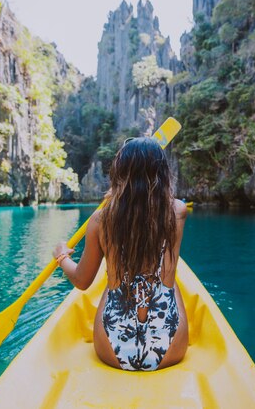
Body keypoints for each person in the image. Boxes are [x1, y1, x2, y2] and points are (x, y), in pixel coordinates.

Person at [53, 137, 188, 371]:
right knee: (170, 281)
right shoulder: (177, 211)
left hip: (111, 349)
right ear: (163, 174)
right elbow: (155, 205)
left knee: (112, 281)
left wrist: (62, 257)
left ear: (118, 175)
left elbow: (82, 281)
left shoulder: (99, 220)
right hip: (170, 349)